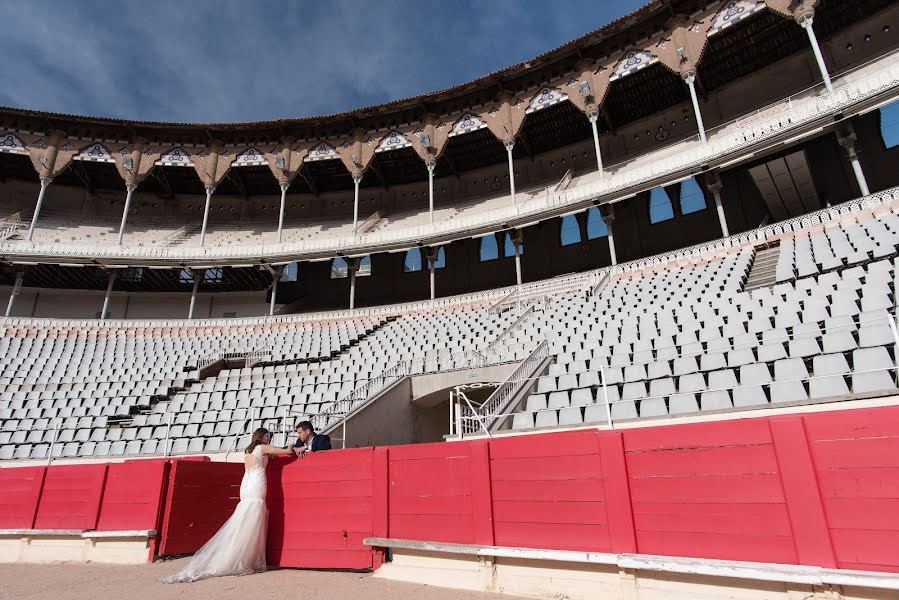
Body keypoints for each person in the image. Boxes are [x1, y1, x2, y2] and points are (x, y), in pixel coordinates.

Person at [164, 428, 294, 583]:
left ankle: (238, 555)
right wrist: (291, 447)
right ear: (261, 437)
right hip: (256, 483)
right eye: (267, 435)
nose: (268, 438)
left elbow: (268, 455)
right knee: (253, 517)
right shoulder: (261, 447)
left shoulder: (248, 450)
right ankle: (245, 558)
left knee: (243, 519)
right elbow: (284, 452)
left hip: (246, 483)